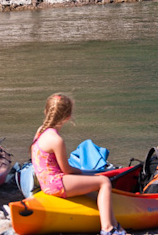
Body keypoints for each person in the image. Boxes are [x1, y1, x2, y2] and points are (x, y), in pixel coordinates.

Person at [31, 93, 127, 235]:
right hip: (56, 184)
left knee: (94, 179)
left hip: (45, 183)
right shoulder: (56, 140)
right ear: (68, 117)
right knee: (104, 182)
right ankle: (107, 229)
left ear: (46, 111)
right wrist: (81, 172)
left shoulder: (40, 132)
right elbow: (67, 170)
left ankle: (115, 225)